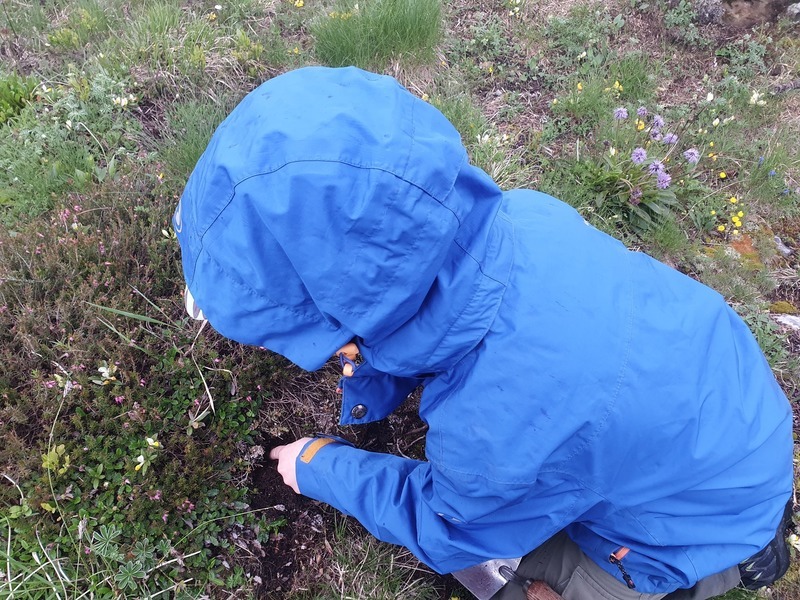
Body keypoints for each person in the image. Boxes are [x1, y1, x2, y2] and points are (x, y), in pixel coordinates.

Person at [173, 66, 793, 599]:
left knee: (498, 573)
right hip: (731, 420)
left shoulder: (499, 429)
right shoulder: (520, 216)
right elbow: (418, 304)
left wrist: (319, 467)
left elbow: (447, 526)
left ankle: (719, 568)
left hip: (691, 528)